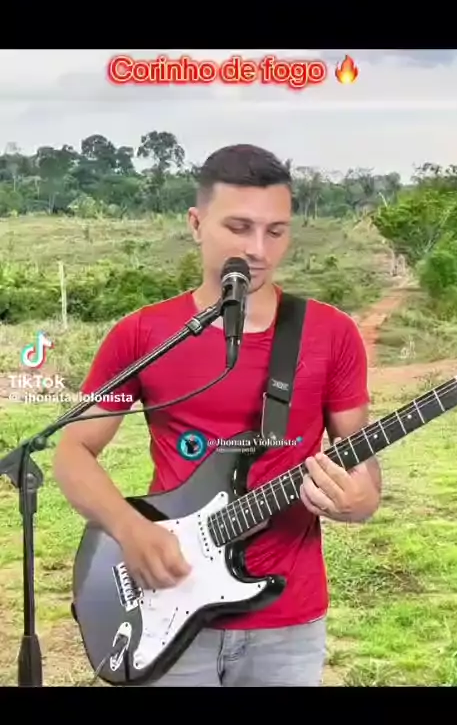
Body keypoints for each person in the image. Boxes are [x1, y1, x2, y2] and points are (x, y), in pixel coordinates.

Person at [53, 144, 382, 687]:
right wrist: (130, 530)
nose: (258, 249)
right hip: (165, 602)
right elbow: (72, 450)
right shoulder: (144, 333)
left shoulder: (332, 334)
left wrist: (361, 500)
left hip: (288, 621)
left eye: (276, 231)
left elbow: (361, 454)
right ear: (196, 224)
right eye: (239, 227)